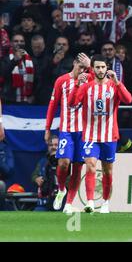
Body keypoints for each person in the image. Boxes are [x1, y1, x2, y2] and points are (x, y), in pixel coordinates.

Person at [68, 54, 132, 213]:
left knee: (107, 171)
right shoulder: (86, 86)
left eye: (103, 67)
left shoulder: (113, 85)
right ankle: (89, 202)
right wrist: (77, 84)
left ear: (107, 68)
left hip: (110, 135)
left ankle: (105, 203)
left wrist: (118, 82)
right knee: (90, 166)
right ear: (93, 68)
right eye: (97, 67)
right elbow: (71, 103)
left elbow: (128, 100)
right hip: (90, 135)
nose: (100, 70)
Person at [45, 54, 91, 214]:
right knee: (64, 163)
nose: (82, 71)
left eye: (85, 68)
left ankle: (69, 203)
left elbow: (102, 77)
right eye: (80, 67)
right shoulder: (62, 81)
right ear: (74, 63)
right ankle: (61, 189)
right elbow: (52, 105)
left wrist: (90, 66)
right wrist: (47, 128)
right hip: (66, 130)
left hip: (83, 131)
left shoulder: (89, 79)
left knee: (78, 167)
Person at [31, 135, 60, 211]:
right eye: (51, 145)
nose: (53, 147)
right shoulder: (42, 161)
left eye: (56, 145)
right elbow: (34, 175)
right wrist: (36, 179)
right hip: (44, 203)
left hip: (61, 202)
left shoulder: (65, 161)